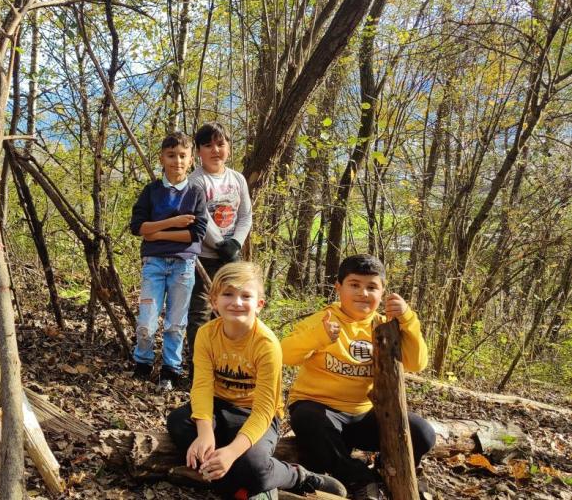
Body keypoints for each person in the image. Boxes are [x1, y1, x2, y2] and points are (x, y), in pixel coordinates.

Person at [166, 262, 347, 499]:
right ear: (214, 301)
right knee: (178, 422)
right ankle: (239, 483)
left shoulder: (267, 344)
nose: (237, 302)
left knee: (254, 467)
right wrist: (205, 433)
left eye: (246, 296)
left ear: (259, 304)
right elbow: (201, 387)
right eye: (228, 294)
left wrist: (230, 452)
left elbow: (263, 410)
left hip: (256, 414)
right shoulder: (206, 334)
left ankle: (297, 476)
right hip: (219, 407)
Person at [282, 254, 436, 499]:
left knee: (422, 433)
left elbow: (416, 363)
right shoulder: (322, 321)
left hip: (363, 414)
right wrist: (318, 337)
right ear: (338, 288)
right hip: (321, 411)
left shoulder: (386, 325)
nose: (363, 293)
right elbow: (284, 354)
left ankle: (388, 468)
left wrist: (408, 319)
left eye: (371, 287)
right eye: (354, 285)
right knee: (308, 419)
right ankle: (358, 478)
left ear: (382, 291)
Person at [128, 131, 208, 390]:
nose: (177, 161)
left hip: (183, 266)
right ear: (162, 158)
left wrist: (155, 232)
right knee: (146, 321)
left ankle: (171, 369)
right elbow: (138, 227)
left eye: (182, 156)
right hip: (154, 263)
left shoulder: (195, 193)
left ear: (191, 160)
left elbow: (196, 233)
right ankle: (142, 362)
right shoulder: (152, 192)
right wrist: (172, 223)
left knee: (176, 322)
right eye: (171, 155)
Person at [186, 122, 252, 370]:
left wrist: (235, 244)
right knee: (201, 312)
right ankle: (198, 367)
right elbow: (201, 217)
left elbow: (246, 215)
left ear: (229, 148)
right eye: (208, 145)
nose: (215, 150)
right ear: (199, 152)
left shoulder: (237, 179)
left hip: (232, 258)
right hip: (204, 258)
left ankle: (226, 365)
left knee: (228, 311)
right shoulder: (195, 181)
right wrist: (221, 244)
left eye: (220, 144)